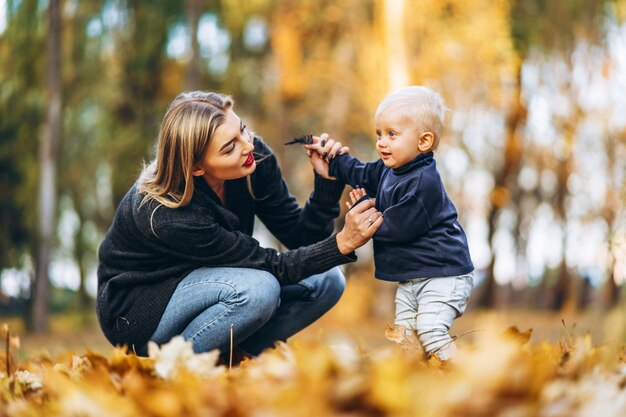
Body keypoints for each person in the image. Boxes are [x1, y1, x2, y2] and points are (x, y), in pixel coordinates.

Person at [96, 91, 383, 357]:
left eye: (242, 130)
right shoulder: (165, 211)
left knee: (327, 280)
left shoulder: (254, 159)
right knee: (259, 290)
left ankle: (238, 358)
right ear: (196, 166)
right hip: (139, 311)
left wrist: (326, 185)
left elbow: (301, 240)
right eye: (230, 147)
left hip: (212, 283)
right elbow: (273, 267)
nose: (249, 146)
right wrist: (343, 243)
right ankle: (175, 366)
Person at [305, 86, 474, 360]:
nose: (381, 143)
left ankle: (465, 376)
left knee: (431, 331)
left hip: (444, 274)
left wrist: (363, 209)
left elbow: (396, 228)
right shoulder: (389, 170)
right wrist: (333, 160)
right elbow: (360, 171)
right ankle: (419, 383)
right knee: (407, 338)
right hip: (413, 276)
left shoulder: (423, 183)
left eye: (392, 134)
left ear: (424, 141)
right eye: (379, 134)